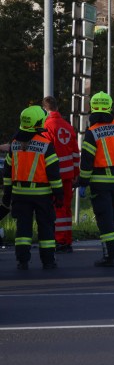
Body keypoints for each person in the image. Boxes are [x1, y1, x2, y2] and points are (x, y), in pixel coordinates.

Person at [3, 106, 63, 270]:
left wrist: (6, 197)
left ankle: (22, 261)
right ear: (38, 122)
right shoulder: (45, 144)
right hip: (42, 194)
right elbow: (54, 174)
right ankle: (48, 261)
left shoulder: (14, 144)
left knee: (23, 229)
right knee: (46, 228)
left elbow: (7, 173)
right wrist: (59, 195)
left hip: (19, 194)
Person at [78, 92, 114, 267]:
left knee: (104, 220)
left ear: (92, 108)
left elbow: (86, 162)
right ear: (110, 107)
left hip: (99, 182)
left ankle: (110, 256)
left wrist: (83, 183)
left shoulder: (92, 132)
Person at [42, 96, 80, 253]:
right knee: (66, 209)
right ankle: (66, 240)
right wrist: (76, 172)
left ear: (45, 109)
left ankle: (59, 240)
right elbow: (75, 153)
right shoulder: (67, 126)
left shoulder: (46, 126)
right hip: (68, 174)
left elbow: (44, 152)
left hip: (53, 175)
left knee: (55, 208)